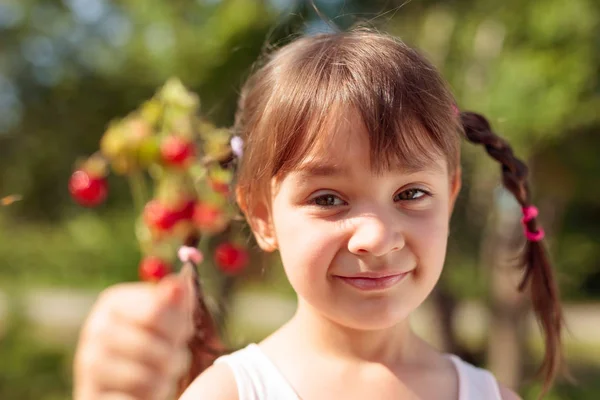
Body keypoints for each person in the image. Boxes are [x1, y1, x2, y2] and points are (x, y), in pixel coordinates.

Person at [73, 29, 565, 400]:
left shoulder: (490, 397)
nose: (375, 237)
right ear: (262, 215)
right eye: (328, 199)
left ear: (451, 196)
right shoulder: (231, 393)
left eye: (411, 193)